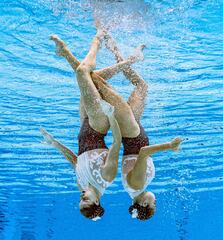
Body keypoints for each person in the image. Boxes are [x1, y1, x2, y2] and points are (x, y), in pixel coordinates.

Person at [50, 27, 182, 220]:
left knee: (95, 80)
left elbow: (143, 152)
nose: (155, 200)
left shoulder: (137, 186)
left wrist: (170, 146)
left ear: (144, 204)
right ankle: (118, 53)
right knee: (139, 86)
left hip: (132, 134)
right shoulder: (133, 187)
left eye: (154, 203)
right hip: (133, 132)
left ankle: (120, 54)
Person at [40, 29, 141, 220]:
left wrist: (54, 143)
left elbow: (74, 161)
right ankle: (96, 39)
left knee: (89, 78)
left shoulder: (82, 186)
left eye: (80, 201)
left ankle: (127, 62)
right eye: (85, 201)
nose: (81, 197)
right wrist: (110, 116)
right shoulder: (107, 178)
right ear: (96, 202)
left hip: (83, 126)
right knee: (82, 73)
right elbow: (117, 143)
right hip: (97, 125)